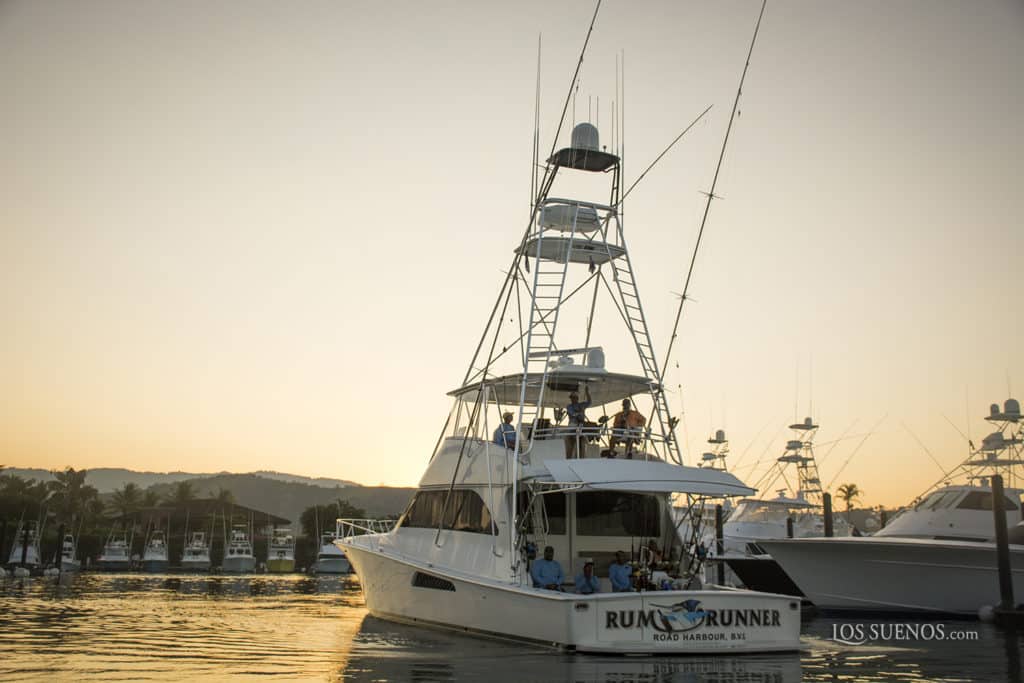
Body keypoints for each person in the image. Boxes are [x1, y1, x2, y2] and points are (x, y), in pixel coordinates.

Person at [564, 386, 592, 459]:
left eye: (574, 397)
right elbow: (572, 414)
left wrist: (587, 392)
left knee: (582, 441)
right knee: (571, 441)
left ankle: (581, 458)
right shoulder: (569, 406)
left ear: (577, 398)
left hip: (581, 426)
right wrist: (579, 413)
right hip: (572, 426)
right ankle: (569, 458)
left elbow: (589, 402)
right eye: (572, 397)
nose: (573, 399)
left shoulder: (581, 405)